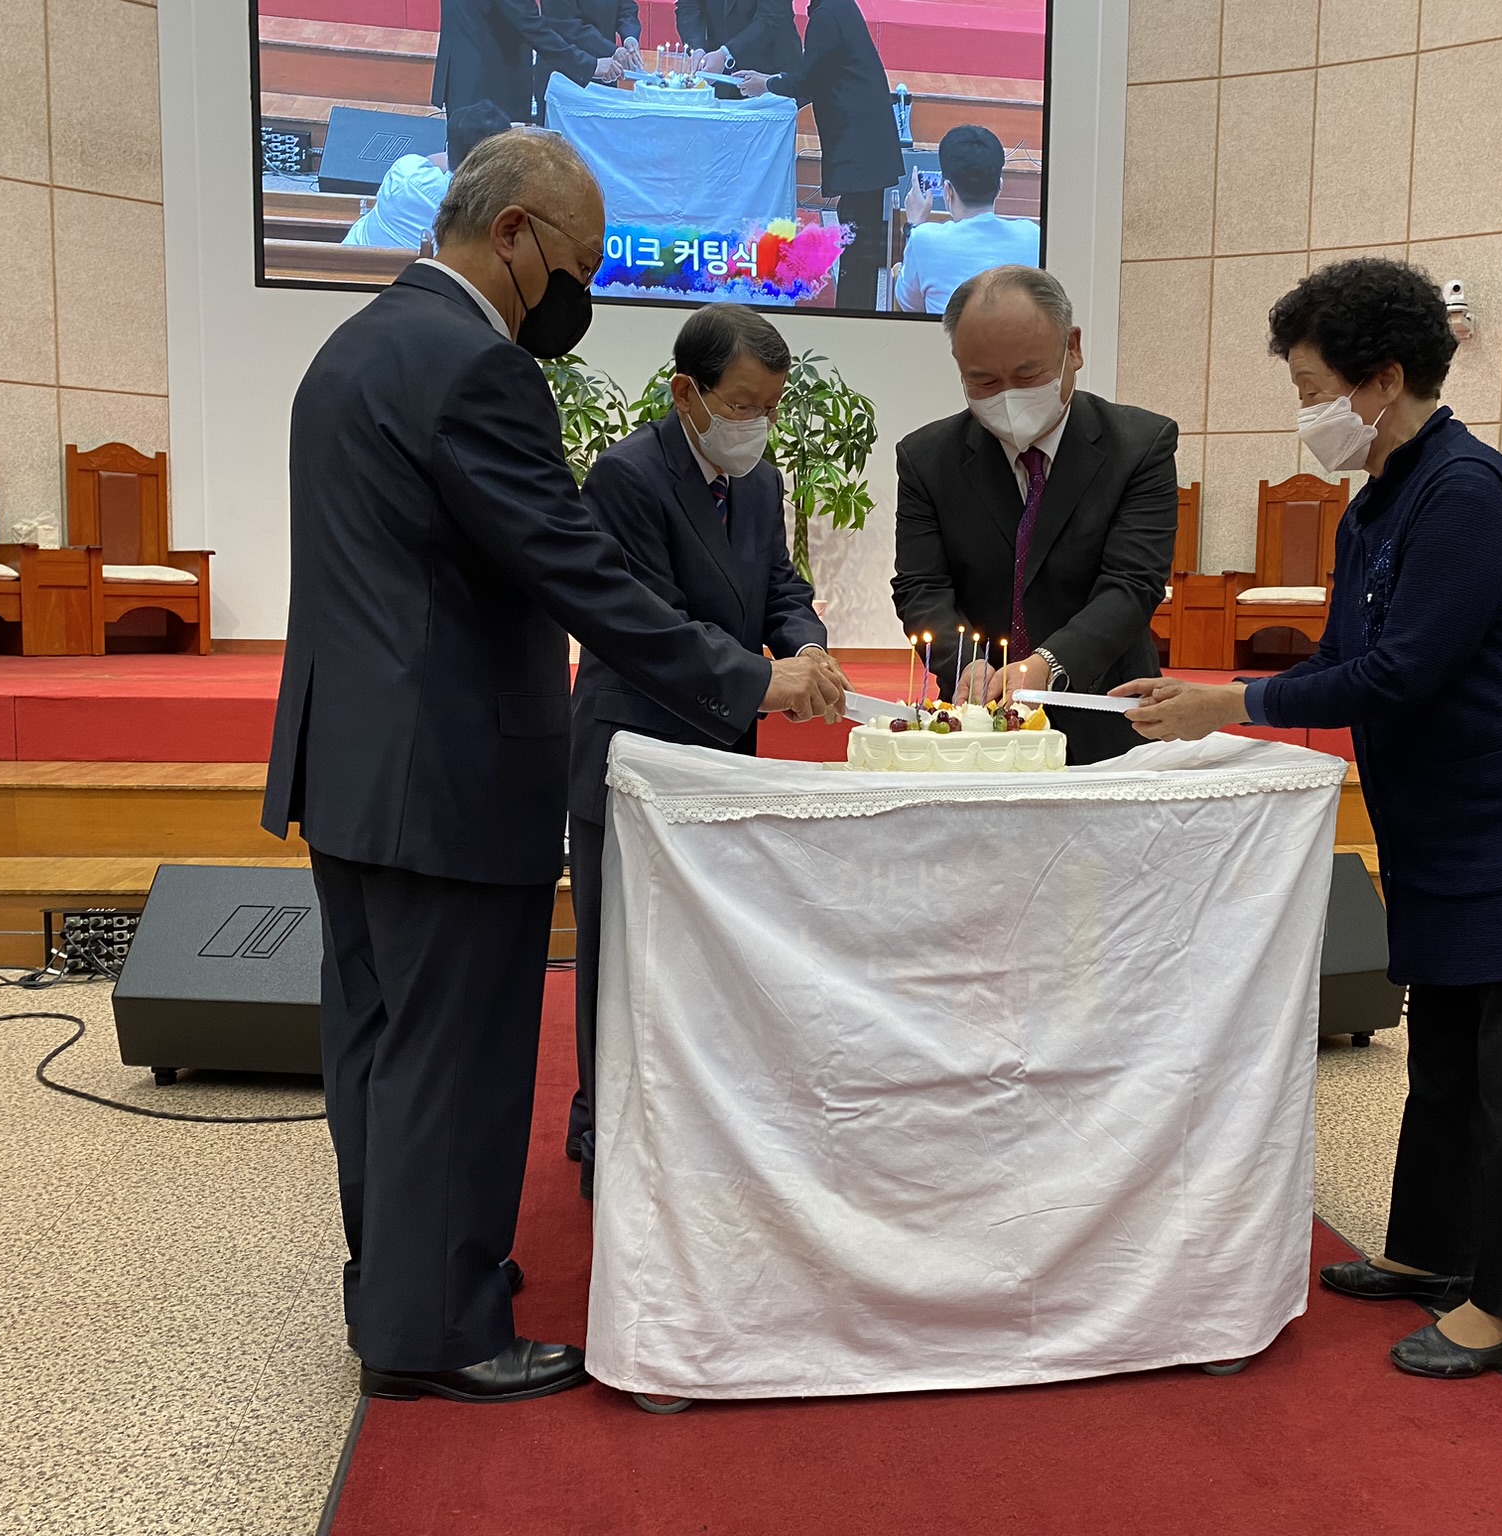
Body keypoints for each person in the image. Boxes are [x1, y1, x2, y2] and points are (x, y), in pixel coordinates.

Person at [262, 128, 844, 1407]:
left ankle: (402, 1282)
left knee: (378, 1043)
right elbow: (575, 572)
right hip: (452, 769)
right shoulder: (478, 366)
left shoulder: (354, 346)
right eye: (577, 265)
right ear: (512, 233)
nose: (578, 294)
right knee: (457, 1054)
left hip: (352, 764)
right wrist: (748, 678)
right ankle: (438, 1331)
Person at [1112, 257, 1502, 1380]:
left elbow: (1403, 671)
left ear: (1382, 379)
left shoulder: (1464, 489)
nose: (1305, 411)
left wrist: (1231, 705)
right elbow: (1337, 657)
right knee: (1448, 1050)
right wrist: (1214, 696)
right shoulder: (1378, 499)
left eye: (1312, 387)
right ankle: (1431, 1248)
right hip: (1454, 820)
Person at [563, 304, 837, 1195]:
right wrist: (765, 682)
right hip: (637, 747)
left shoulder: (758, 480)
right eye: (742, 405)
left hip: (719, 753)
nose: (757, 425)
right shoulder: (628, 475)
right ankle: (603, 1127)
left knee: (702, 951)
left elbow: (781, 586)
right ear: (687, 393)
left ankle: (694, 1119)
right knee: (620, 953)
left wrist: (805, 647)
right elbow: (653, 626)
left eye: (771, 408)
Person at [892, 265, 1178, 763]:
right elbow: (921, 586)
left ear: (1073, 348)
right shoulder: (926, 459)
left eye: (1028, 375)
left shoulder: (1139, 446)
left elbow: (1132, 585)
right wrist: (965, 663)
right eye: (982, 381)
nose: (1008, 396)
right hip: (978, 723)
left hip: (1105, 713)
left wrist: (1049, 662)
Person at [736, 0, 903, 312]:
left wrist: (767, 84)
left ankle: (853, 314)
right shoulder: (838, 8)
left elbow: (810, 78)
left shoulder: (826, 16)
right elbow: (817, 74)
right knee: (858, 233)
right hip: (868, 142)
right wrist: (770, 80)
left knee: (857, 238)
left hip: (860, 145)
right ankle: (856, 310)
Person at [894, 125, 1041, 315]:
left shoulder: (923, 239)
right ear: (999, 187)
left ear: (947, 190)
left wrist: (914, 225)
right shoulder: (1033, 236)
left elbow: (909, 306)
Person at [342, 102, 512, 252]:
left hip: (350, 264)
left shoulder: (405, 172)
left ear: (448, 148)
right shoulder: (489, 212)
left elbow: (433, 160)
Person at [432, 0, 625, 126]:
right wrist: (590, 65)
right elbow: (530, 24)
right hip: (486, 82)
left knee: (467, 163)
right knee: (487, 165)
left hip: (464, 70)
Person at [676, 0, 801, 78]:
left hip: (769, 72)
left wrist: (727, 54)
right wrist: (697, 47)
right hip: (717, 71)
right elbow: (688, 7)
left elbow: (771, 18)